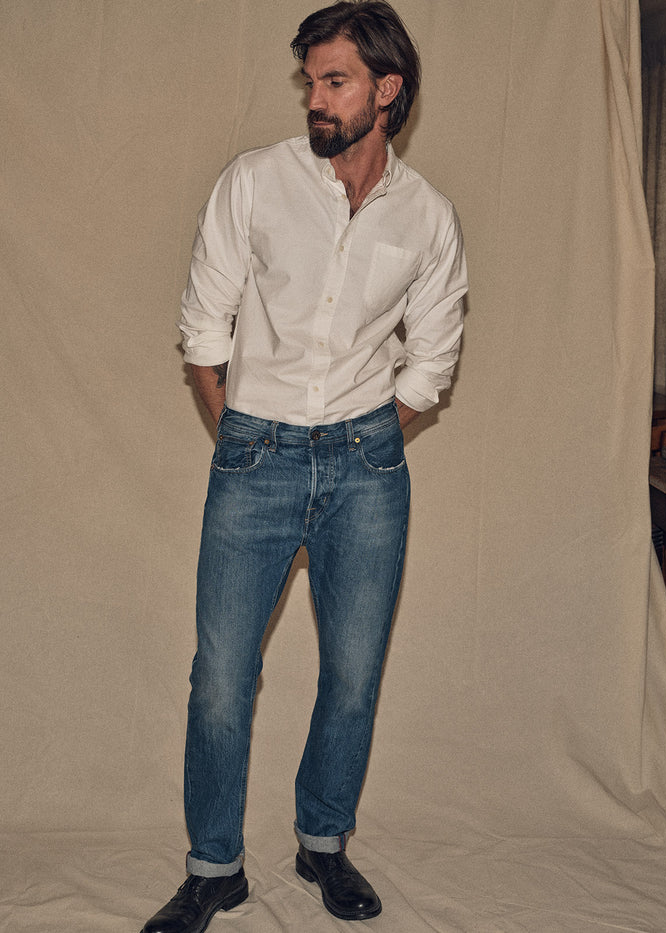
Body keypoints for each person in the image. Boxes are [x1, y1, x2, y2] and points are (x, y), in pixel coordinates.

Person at [140, 2, 467, 931]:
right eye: (311, 81)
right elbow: (203, 330)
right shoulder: (254, 182)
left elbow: (432, 361)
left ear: (386, 90)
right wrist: (242, 435)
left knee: (353, 674)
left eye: (335, 81)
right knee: (221, 675)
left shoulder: (429, 217)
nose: (315, 99)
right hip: (258, 454)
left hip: (368, 468)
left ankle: (323, 843)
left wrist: (368, 438)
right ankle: (214, 868)